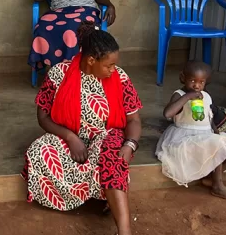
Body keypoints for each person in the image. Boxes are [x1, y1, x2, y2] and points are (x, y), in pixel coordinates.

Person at [22, 21, 141, 235]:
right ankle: (87, 197)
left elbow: (133, 120)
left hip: (105, 137)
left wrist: (130, 144)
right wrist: (70, 137)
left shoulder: (120, 77)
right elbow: (43, 116)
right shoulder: (59, 73)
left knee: (112, 154)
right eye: (108, 65)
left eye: (115, 65)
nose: (113, 70)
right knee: (40, 150)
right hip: (69, 139)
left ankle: (124, 231)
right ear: (91, 60)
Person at [156, 61, 226, 201]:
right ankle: (218, 186)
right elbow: (167, 113)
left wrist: (216, 132)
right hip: (184, 139)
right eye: (192, 81)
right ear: (182, 78)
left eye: (201, 82)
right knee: (217, 145)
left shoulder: (206, 96)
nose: (196, 85)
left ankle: (210, 176)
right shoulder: (179, 95)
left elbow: (209, 118)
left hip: (205, 135)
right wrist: (187, 97)